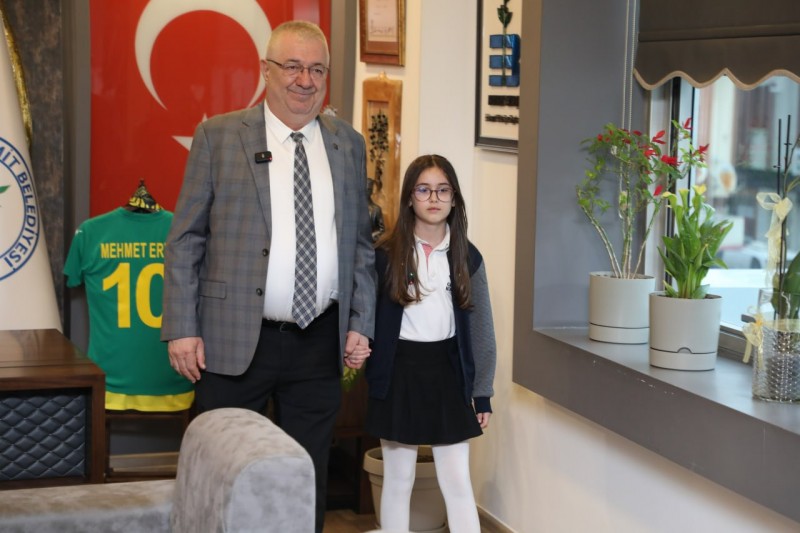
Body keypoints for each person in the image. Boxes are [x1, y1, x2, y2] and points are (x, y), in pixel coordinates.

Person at [161, 20, 376, 533]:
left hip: (318, 341)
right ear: (266, 70)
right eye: (293, 66)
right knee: (223, 473)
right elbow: (186, 239)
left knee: (306, 477)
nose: (305, 80)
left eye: (317, 69)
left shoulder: (348, 145)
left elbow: (360, 246)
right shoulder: (218, 137)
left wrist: (360, 321)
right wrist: (182, 328)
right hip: (233, 339)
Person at [365, 154, 497, 533]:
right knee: (398, 480)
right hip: (398, 374)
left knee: (457, 481)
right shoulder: (385, 255)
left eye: (443, 190)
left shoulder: (468, 257)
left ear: (454, 198)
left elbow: (482, 330)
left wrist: (482, 392)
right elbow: (366, 318)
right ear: (410, 197)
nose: (434, 198)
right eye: (423, 190)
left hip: (448, 374)